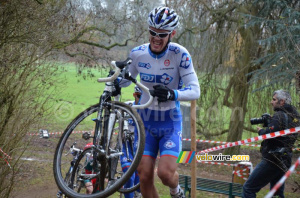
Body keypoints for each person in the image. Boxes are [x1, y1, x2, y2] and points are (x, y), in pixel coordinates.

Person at [120, 6, 200, 198]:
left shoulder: (180, 54)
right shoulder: (138, 53)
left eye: (162, 34)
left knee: (165, 174)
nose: (156, 38)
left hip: (169, 121)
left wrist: (172, 94)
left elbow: (195, 90)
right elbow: (124, 81)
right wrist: (116, 76)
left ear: (172, 33)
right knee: (144, 174)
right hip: (145, 120)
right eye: (152, 32)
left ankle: (176, 189)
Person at [242, 90, 300, 198]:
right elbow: (282, 134)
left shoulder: (279, 115)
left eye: (274, 99)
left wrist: (261, 131)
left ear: (282, 101)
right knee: (276, 194)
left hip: (272, 159)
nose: (271, 102)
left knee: (248, 188)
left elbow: (269, 134)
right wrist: (270, 125)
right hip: (285, 159)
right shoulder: (295, 117)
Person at [121, 85, 142, 198]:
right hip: (126, 146)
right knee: (129, 177)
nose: (141, 99)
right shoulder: (127, 106)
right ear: (134, 95)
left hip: (140, 148)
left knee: (140, 184)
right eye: (139, 96)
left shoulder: (148, 109)